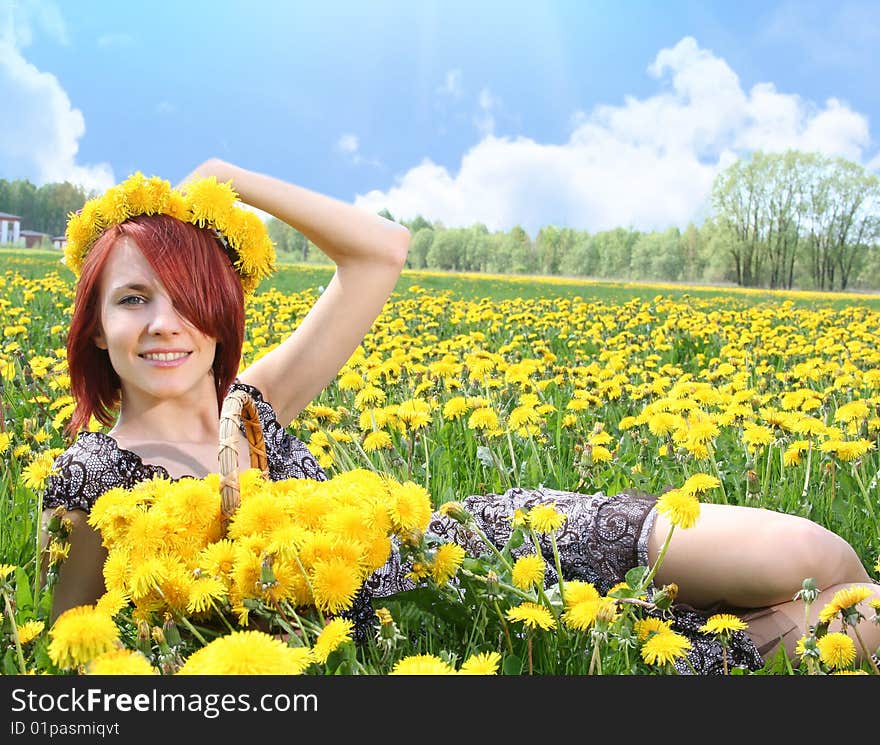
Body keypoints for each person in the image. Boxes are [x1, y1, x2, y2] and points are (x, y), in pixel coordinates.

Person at [40, 158, 880, 675]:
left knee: (811, 553)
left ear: (220, 310)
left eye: (187, 297)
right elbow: (68, 647)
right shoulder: (93, 476)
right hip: (446, 630)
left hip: (487, 545)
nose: (163, 324)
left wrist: (228, 179)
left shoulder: (253, 406)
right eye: (133, 299)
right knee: (843, 628)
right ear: (95, 325)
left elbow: (381, 251)